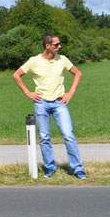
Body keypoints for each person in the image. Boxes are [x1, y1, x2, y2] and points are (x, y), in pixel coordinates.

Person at [13, 34, 87, 179]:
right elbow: (16, 75)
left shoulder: (62, 60)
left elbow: (78, 73)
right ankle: (50, 167)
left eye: (59, 44)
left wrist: (70, 93)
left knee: (69, 135)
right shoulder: (34, 61)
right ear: (48, 46)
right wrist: (28, 92)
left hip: (60, 103)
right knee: (45, 137)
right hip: (42, 104)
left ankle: (78, 169)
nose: (60, 47)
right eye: (56, 45)